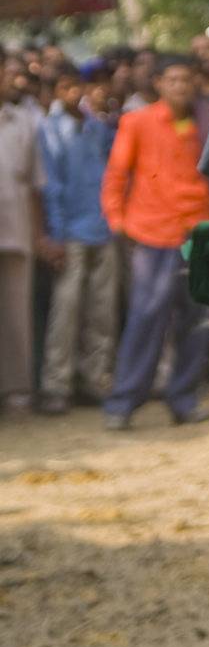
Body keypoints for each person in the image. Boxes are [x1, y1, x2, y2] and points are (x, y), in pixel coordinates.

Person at [101, 55, 209, 428]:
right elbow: (117, 174)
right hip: (153, 233)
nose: (180, 86)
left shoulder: (208, 121)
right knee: (145, 319)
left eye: (186, 79)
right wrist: (117, 219)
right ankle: (122, 404)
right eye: (173, 80)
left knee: (196, 321)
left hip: (198, 233)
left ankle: (183, 400)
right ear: (159, 84)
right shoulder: (137, 121)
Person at [37, 65, 117, 413]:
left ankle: (94, 378)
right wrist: (55, 234)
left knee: (101, 311)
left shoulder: (96, 127)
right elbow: (51, 187)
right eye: (64, 87)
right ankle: (57, 385)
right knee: (65, 312)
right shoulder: (50, 130)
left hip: (102, 228)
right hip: (69, 232)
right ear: (55, 91)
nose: (72, 93)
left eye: (76, 86)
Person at [0, 58, 57, 414]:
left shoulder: (23, 121)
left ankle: (17, 389)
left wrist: (38, 235)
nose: (10, 80)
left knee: (17, 311)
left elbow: (38, 186)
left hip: (17, 226)